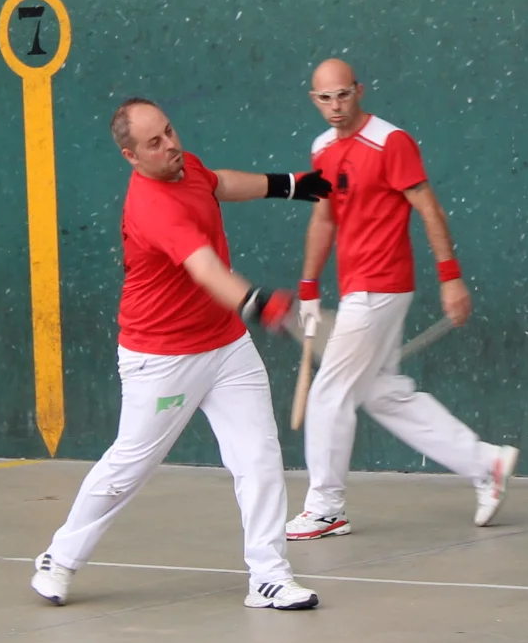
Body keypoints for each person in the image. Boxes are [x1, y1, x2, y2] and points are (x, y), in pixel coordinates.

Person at [31, 99, 332, 610]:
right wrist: (259, 302)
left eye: (169, 131)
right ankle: (58, 558)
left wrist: (289, 185)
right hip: (163, 358)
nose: (171, 145)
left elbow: (218, 182)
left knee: (258, 456)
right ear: (131, 156)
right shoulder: (153, 207)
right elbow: (205, 268)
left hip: (225, 345)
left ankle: (268, 576)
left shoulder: (183, 164)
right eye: (154, 143)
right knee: (129, 467)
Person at [283, 58, 516, 541]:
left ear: (359, 91)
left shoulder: (390, 142)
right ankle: (485, 463)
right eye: (325, 98)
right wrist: (308, 286)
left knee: (330, 392)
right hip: (357, 287)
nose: (335, 106)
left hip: (381, 285)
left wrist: (450, 277)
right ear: (313, 100)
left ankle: (326, 508)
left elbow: (429, 208)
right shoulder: (322, 148)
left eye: (343, 94)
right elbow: (324, 218)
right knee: (380, 392)